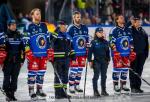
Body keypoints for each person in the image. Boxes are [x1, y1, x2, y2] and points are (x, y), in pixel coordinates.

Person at [23, 8, 53, 100]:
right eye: (36, 14)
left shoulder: (44, 25)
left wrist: (49, 50)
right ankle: (31, 91)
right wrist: (28, 52)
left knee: (41, 73)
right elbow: (25, 40)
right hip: (33, 55)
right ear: (32, 15)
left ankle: (39, 90)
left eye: (39, 14)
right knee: (32, 73)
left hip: (43, 54)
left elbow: (47, 39)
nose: (39, 16)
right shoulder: (28, 26)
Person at [109, 14, 136, 94]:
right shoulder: (114, 30)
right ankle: (116, 85)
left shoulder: (128, 30)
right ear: (117, 20)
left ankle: (123, 85)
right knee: (117, 69)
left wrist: (131, 51)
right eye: (121, 18)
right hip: (117, 54)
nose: (123, 18)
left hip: (127, 54)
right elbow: (111, 42)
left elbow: (131, 41)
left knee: (125, 69)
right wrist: (115, 51)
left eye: (123, 17)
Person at [2, 19, 25, 101]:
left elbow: (23, 49)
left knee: (15, 78)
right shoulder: (4, 35)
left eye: (15, 24)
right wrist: (1, 61)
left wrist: (22, 60)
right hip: (7, 61)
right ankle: (7, 94)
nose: (14, 26)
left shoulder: (19, 35)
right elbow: (1, 49)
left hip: (17, 60)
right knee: (7, 78)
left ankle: (12, 94)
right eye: (12, 25)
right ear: (8, 26)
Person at [52, 21, 75, 99]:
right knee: (58, 77)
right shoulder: (55, 35)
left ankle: (64, 92)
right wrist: (56, 30)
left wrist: (73, 56)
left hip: (66, 59)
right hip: (57, 60)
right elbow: (51, 41)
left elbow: (71, 47)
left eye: (65, 26)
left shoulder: (68, 36)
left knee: (65, 77)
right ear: (59, 27)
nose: (64, 27)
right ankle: (57, 94)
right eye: (62, 26)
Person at [67, 11, 89, 94]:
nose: (78, 18)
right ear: (73, 18)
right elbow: (68, 41)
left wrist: (88, 47)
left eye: (79, 17)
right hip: (74, 54)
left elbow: (87, 40)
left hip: (82, 53)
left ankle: (77, 85)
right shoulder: (70, 28)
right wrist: (71, 51)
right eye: (77, 17)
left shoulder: (84, 27)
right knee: (73, 70)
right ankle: (71, 86)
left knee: (79, 70)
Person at [88, 27, 110, 97]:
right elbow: (89, 53)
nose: (101, 33)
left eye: (102, 32)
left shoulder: (106, 42)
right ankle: (95, 91)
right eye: (99, 32)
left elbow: (108, 51)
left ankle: (103, 90)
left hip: (104, 61)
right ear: (96, 33)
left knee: (104, 76)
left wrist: (108, 59)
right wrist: (90, 61)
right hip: (96, 61)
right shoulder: (93, 42)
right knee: (96, 76)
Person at [129, 17, 149, 93]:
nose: (139, 23)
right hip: (134, 54)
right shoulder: (130, 31)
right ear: (133, 23)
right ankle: (133, 87)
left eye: (139, 22)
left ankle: (138, 87)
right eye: (137, 22)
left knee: (139, 70)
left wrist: (146, 53)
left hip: (142, 54)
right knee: (133, 71)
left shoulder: (142, 30)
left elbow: (146, 42)